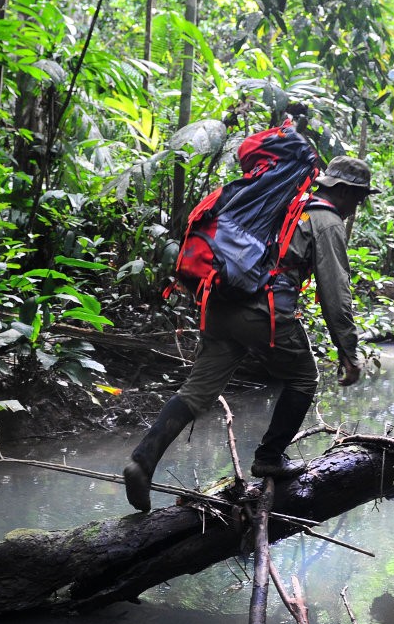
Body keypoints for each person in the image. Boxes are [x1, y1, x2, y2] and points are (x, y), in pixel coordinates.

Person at [123, 154, 379, 512]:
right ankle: (270, 457)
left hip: (219, 306)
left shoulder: (281, 203)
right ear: (344, 191)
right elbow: (335, 294)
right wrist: (348, 352)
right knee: (304, 379)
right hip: (262, 313)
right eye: (359, 197)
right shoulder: (325, 220)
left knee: (196, 392)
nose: (358, 205)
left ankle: (142, 460)